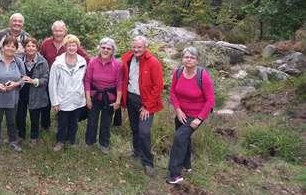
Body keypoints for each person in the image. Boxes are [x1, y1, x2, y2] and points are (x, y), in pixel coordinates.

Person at [167, 46, 215, 184]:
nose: (189, 60)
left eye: (192, 57)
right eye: (186, 57)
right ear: (182, 59)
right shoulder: (177, 72)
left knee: (179, 138)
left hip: (196, 115)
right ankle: (187, 165)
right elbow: (172, 93)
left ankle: (175, 174)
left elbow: (210, 100)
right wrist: (177, 109)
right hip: (181, 113)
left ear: (197, 60)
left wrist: (199, 119)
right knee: (184, 139)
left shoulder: (202, 76)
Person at [121, 35, 164, 177]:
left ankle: (148, 162)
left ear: (145, 47)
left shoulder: (153, 62)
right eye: (134, 46)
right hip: (131, 98)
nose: (136, 49)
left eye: (139, 47)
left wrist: (147, 106)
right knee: (134, 128)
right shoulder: (128, 58)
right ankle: (136, 151)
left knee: (144, 131)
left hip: (146, 102)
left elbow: (158, 86)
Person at [40, 20, 90, 129]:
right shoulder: (46, 43)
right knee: (47, 104)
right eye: (56, 31)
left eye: (60, 30)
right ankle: (45, 127)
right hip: (49, 79)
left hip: (65, 82)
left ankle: (62, 125)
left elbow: (86, 58)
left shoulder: (70, 43)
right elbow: (40, 60)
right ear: (52, 31)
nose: (58, 33)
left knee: (64, 107)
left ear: (65, 31)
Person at [0, 36, 26, 152]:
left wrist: (16, 84)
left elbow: (24, 78)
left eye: (13, 46)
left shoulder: (19, 62)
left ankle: (13, 141)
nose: (10, 48)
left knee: (12, 121)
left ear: (16, 49)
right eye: (8, 45)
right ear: (2, 47)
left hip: (12, 98)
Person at [48, 34, 87, 151]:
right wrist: (54, 101)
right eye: (69, 45)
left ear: (77, 47)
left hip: (77, 97)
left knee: (74, 122)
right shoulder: (57, 63)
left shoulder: (82, 61)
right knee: (62, 122)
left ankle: (72, 140)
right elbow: (52, 83)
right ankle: (60, 141)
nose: (71, 48)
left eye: (74, 45)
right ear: (65, 46)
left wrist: (84, 95)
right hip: (62, 98)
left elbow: (84, 80)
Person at [84, 37, 122, 154]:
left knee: (106, 122)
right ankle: (90, 142)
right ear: (99, 48)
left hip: (109, 98)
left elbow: (119, 83)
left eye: (108, 49)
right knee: (92, 121)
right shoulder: (93, 62)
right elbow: (87, 80)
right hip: (94, 96)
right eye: (103, 47)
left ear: (112, 51)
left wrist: (118, 101)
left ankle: (104, 144)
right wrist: (88, 98)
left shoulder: (117, 65)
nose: (105, 50)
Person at [17, 37, 50, 146]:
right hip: (21, 93)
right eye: (28, 46)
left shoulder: (42, 61)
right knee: (20, 116)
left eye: (33, 46)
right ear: (24, 48)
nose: (30, 48)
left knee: (34, 116)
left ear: (37, 48)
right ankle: (20, 135)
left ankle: (34, 137)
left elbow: (46, 79)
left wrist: (33, 81)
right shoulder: (19, 60)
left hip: (36, 93)